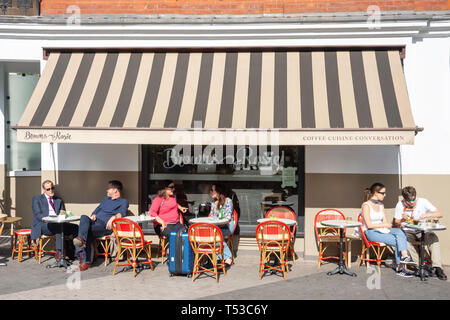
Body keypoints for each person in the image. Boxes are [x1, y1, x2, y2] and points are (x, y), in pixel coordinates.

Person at [73, 180, 128, 271]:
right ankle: (82, 244)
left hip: (105, 226)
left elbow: (122, 213)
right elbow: (97, 209)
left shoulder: (123, 201)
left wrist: (113, 217)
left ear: (115, 190)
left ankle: (84, 260)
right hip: (95, 223)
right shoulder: (106, 199)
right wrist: (94, 214)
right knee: (83, 217)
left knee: (84, 232)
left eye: (109, 188)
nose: (107, 190)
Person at [393, 186, 447, 280]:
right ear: (404, 200)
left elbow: (439, 213)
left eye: (413, 199)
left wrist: (426, 215)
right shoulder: (400, 205)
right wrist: (402, 218)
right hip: (409, 232)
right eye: (409, 200)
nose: (412, 202)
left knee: (433, 238)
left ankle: (437, 267)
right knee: (405, 242)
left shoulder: (423, 202)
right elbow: (396, 222)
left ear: (416, 196)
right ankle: (420, 266)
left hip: (423, 231)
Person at [361, 183, 414, 277]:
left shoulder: (381, 205)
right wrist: (385, 225)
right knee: (398, 240)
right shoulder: (366, 205)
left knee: (400, 232)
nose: (385, 195)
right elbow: (369, 225)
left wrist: (398, 223)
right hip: (372, 232)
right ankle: (400, 268)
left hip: (382, 230)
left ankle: (404, 256)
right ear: (376, 193)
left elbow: (385, 221)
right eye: (383, 193)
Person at [31, 180, 78, 263]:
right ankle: (59, 253)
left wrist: (64, 216)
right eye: (48, 189)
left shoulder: (58, 200)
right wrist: (49, 219)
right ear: (44, 190)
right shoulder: (37, 199)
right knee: (59, 227)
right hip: (43, 224)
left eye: (52, 188)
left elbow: (63, 212)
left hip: (58, 223)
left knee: (76, 227)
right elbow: (38, 214)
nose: (51, 190)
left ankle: (75, 253)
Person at [209, 184, 234, 266]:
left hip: (227, 225)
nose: (211, 192)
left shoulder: (228, 201)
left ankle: (227, 257)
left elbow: (228, 217)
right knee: (210, 234)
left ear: (219, 192)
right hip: (217, 227)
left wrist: (219, 224)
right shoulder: (213, 203)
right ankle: (216, 258)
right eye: (211, 190)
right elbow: (212, 217)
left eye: (213, 190)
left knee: (216, 235)